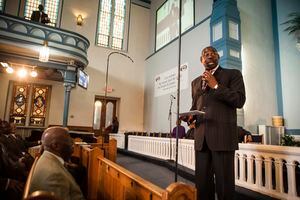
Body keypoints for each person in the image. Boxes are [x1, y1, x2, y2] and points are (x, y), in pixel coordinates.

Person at [188, 46, 246, 200]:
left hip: (223, 138)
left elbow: (239, 100)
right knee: (202, 186)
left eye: (212, 53)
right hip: (201, 139)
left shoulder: (232, 74)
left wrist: (216, 86)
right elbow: (195, 107)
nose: (209, 55)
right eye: (205, 54)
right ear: (201, 60)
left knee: (224, 186)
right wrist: (190, 117)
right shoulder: (195, 82)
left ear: (218, 57)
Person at [29, 127, 85, 200]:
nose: (72, 143)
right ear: (56, 145)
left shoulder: (47, 158)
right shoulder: (55, 175)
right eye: (68, 140)